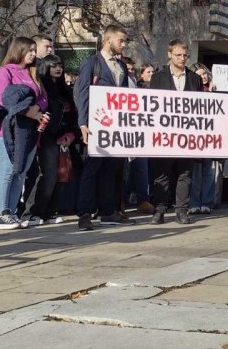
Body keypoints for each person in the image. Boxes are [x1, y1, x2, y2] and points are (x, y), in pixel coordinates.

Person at [74, 24, 136, 230]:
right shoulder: (92, 63)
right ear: (108, 40)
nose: (124, 44)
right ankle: (84, 213)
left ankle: (108, 211)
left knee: (112, 170)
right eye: (121, 40)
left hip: (116, 127)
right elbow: (82, 93)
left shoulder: (121, 67)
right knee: (92, 169)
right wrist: (82, 123)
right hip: (96, 125)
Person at [0, 37, 46, 230]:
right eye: (29, 50)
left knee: (20, 173)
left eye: (34, 50)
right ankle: (1, 213)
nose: (33, 54)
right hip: (7, 129)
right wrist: (25, 110)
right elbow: (1, 96)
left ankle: (11, 213)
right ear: (18, 50)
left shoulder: (33, 73)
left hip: (29, 131)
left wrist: (37, 107)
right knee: (7, 170)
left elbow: (43, 97)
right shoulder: (5, 71)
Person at [147, 40, 203, 224]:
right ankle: (160, 210)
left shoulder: (195, 79)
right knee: (161, 173)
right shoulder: (158, 78)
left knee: (184, 173)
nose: (182, 59)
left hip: (187, 135)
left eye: (185, 55)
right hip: (163, 134)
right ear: (169, 54)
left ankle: (181, 210)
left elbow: (201, 106)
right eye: (178, 55)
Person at [23, 54, 77, 225]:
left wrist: (71, 135)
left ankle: (50, 212)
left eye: (60, 65)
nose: (58, 69)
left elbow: (71, 115)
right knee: (46, 175)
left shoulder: (65, 90)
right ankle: (32, 212)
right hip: (46, 136)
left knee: (60, 175)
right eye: (53, 65)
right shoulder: (41, 87)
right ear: (45, 67)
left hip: (63, 138)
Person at [189, 63, 216, 215]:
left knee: (209, 172)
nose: (203, 77)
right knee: (195, 172)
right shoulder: (191, 91)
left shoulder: (215, 91)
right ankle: (194, 203)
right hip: (195, 139)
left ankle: (206, 202)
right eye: (200, 75)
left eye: (205, 74)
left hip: (210, 138)